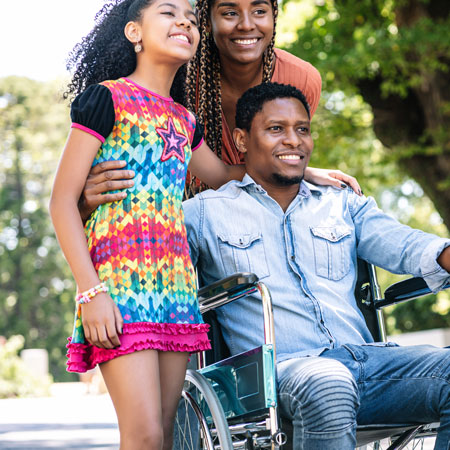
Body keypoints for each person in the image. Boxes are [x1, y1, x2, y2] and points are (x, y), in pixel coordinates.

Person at [183, 82, 450, 450]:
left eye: (302, 129)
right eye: (276, 129)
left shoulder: (342, 203)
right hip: (279, 374)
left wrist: (444, 255)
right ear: (242, 140)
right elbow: (144, 254)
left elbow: (402, 242)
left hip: (368, 364)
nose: (293, 140)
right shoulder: (204, 214)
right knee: (328, 382)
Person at [49, 1, 246, 449]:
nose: (184, 23)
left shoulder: (184, 120)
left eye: (192, 20)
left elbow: (224, 177)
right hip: (118, 287)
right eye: (168, 12)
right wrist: (91, 292)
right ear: (134, 32)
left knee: (163, 434)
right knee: (142, 435)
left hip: (176, 290)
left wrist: (304, 171)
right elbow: (62, 203)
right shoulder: (107, 97)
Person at [76, 0, 362, 219]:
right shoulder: (172, 79)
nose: (247, 24)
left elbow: (238, 172)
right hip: (173, 220)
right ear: (206, 19)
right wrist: (84, 199)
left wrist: (302, 171)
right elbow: (77, 194)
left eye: (259, 11)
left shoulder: (300, 80)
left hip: (260, 217)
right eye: (229, 13)